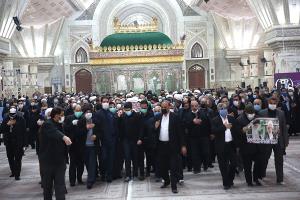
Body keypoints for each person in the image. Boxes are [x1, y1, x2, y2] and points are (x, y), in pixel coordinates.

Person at [39, 107, 72, 200]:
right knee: (48, 187)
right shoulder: (47, 124)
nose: (63, 117)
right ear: (56, 115)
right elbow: (54, 132)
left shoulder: (60, 124)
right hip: (48, 162)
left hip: (60, 161)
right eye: (61, 115)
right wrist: (64, 137)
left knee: (60, 186)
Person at [154, 100, 186, 194]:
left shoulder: (175, 117)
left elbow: (180, 133)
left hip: (172, 146)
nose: (163, 109)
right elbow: (154, 131)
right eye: (162, 107)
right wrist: (155, 127)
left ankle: (174, 186)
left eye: (165, 107)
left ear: (169, 107)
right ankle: (166, 181)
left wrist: (183, 145)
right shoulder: (158, 117)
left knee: (173, 166)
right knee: (162, 166)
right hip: (161, 146)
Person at [258, 97, 288, 184]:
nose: (273, 105)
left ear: (277, 103)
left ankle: (280, 179)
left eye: (275, 103)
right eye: (271, 103)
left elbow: (284, 128)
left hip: (278, 140)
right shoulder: (262, 113)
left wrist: (285, 141)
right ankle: (262, 174)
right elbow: (259, 127)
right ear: (268, 103)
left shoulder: (281, 113)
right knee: (265, 158)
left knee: (279, 160)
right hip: (267, 139)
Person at [211, 103, 238, 190]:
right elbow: (214, 130)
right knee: (223, 166)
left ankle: (230, 178)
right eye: (221, 109)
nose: (223, 110)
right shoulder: (215, 120)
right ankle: (226, 183)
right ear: (218, 111)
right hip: (221, 146)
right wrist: (224, 126)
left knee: (234, 163)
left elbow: (236, 131)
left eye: (225, 108)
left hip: (231, 145)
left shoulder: (231, 118)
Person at [236, 104, 263, 186]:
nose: (252, 114)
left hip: (257, 146)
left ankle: (256, 179)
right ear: (245, 112)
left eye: (253, 112)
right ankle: (249, 181)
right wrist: (242, 130)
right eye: (250, 113)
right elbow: (237, 133)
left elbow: (263, 130)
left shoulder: (257, 118)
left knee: (258, 163)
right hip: (245, 146)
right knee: (247, 166)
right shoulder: (239, 119)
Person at [93, 97, 118, 182]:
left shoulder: (111, 113)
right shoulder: (98, 114)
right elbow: (96, 127)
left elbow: (115, 126)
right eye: (104, 102)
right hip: (102, 141)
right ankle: (103, 174)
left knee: (111, 158)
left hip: (111, 140)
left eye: (107, 101)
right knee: (103, 158)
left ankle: (109, 175)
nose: (106, 103)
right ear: (101, 102)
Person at [1, 107, 26, 180]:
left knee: (18, 158)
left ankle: (17, 174)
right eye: (11, 114)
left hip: (18, 142)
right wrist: (7, 124)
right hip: (9, 142)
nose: (12, 115)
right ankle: (13, 172)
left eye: (13, 114)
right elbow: (1, 129)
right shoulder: (6, 119)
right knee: (10, 158)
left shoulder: (21, 119)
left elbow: (24, 131)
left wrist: (25, 143)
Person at [119, 102, 142, 182]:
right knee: (127, 157)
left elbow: (140, 128)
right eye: (125, 110)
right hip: (126, 140)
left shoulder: (137, 116)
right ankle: (128, 175)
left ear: (131, 109)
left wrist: (139, 138)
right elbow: (120, 128)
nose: (127, 111)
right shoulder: (123, 116)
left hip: (135, 140)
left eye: (128, 109)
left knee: (135, 157)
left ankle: (135, 173)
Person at [64, 104, 86, 186]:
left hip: (81, 143)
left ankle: (79, 178)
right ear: (74, 111)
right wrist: (71, 124)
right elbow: (65, 129)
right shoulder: (69, 118)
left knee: (81, 163)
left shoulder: (83, 118)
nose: (78, 112)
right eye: (77, 111)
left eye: (79, 111)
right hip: (72, 144)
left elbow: (85, 130)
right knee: (73, 163)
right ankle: (72, 181)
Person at [187, 100, 211, 173]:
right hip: (193, 137)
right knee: (195, 153)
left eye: (195, 106)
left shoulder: (203, 113)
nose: (194, 107)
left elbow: (208, 123)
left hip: (203, 136)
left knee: (205, 152)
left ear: (198, 106)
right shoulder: (188, 115)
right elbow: (185, 124)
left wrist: (201, 121)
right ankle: (196, 168)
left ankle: (205, 164)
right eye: (192, 106)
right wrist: (192, 122)